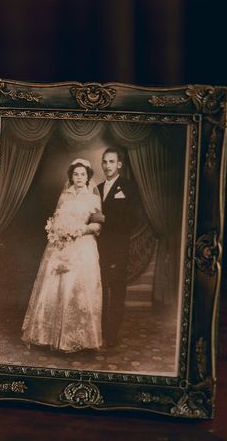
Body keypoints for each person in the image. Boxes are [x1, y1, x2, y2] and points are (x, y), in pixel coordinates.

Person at [21, 159, 103, 352]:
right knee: (53, 286)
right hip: (60, 245)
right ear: (71, 176)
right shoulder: (64, 196)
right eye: (76, 174)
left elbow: (98, 225)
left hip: (82, 247)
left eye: (83, 174)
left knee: (76, 289)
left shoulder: (93, 198)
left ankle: (77, 339)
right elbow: (57, 218)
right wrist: (58, 230)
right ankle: (47, 336)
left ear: (88, 176)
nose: (79, 178)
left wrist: (78, 230)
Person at [89, 148, 138, 347]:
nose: (107, 166)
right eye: (104, 162)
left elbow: (132, 219)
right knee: (99, 291)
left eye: (111, 162)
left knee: (117, 292)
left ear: (119, 165)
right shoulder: (96, 189)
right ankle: (98, 331)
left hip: (118, 249)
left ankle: (111, 336)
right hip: (97, 249)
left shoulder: (128, 187)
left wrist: (106, 219)